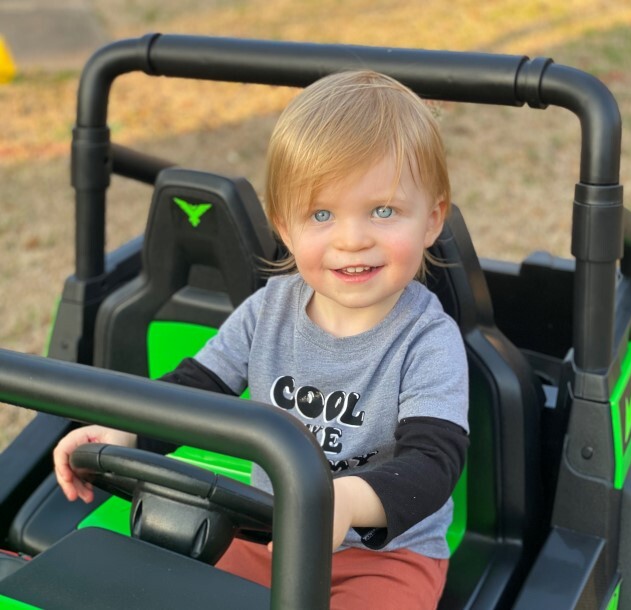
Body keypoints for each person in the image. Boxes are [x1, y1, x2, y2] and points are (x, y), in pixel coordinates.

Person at [54, 70, 469, 610]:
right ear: (285, 226)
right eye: (322, 214)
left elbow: (433, 465)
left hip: (382, 559)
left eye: (383, 210)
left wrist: (342, 501)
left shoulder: (427, 340)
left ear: (432, 219)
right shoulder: (268, 311)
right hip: (265, 539)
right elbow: (193, 393)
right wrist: (124, 434)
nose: (353, 239)